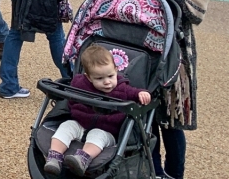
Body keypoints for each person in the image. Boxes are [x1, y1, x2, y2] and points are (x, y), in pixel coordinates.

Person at [114, 0, 211, 179]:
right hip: (136, 51)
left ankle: (175, 174)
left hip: (173, 53)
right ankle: (153, 172)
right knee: (143, 117)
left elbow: (198, 7)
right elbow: (110, 0)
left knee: (172, 120)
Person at [44, 45, 151, 175]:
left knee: (97, 136)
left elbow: (134, 92)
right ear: (88, 77)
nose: (107, 82)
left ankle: (82, 159)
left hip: (106, 130)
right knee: (66, 126)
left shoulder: (122, 88)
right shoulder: (80, 84)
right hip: (80, 123)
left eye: (110, 76)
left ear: (116, 70)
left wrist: (142, 93)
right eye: (99, 78)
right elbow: (69, 94)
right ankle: (54, 156)